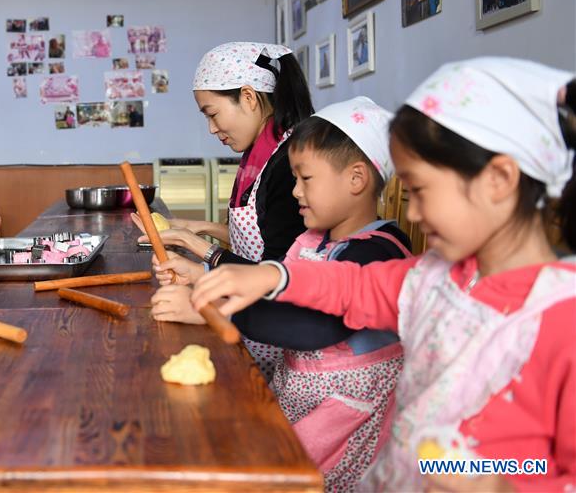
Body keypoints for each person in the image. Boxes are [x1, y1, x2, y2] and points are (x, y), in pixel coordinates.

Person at [190, 58, 576, 491]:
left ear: (499, 179)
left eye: (420, 192)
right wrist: (273, 278)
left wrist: (503, 484)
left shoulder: (561, 319)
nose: (410, 212)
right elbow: (355, 285)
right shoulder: (433, 277)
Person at [154, 97, 411, 491]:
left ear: (356, 180)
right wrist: (202, 274)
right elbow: (268, 285)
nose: (294, 192)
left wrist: (213, 310)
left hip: (347, 422)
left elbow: (317, 326)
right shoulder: (311, 240)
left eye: (305, 179)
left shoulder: (380, 250)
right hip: (300, 396)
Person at [134, 42, 314, 382]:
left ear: (248, 97)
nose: (212, 129)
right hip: (250, 320)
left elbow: (277, 273)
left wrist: (201, 252)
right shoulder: (259, 154)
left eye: (212, 114)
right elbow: (259, 237)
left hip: (271, 340)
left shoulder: (288, 163)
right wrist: (196, 228)